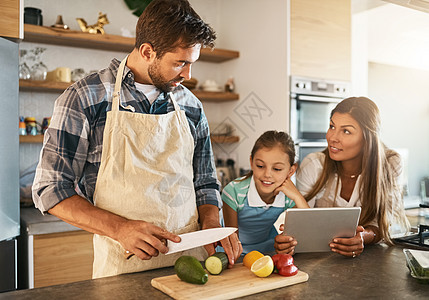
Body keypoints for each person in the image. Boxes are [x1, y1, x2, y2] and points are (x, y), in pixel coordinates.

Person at [32, 0, 241, 279]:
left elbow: (204, 181)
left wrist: (212, 222)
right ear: (147, 51)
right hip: (122, 266)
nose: (188, 75)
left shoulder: (191, 107)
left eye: (192, 63)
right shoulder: (86, 98)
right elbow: (50, 188)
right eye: (180, 63)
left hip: (191, 265)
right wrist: (120, 228)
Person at [274, 97, 410, 258]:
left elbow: (389, 222)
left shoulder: (390, 163)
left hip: (371, 261)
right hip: (318, 261)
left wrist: (363, 237)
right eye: (332, 126)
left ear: (367, 138)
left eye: (346, 131)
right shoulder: (314, 164)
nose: (332, 137)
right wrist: (288, 241)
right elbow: (300, 222)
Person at [222, 131, 309, 255]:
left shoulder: (288, 195)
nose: (267, 174)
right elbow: (231, 241)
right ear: (252, 162)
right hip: (235, 248)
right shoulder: (234, 191)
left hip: (267, 248)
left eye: (277, 169)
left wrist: (297, 196)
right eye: (260, 166)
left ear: (291, 170)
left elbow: (309, 227)